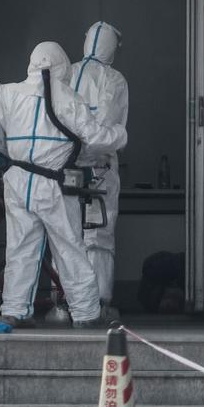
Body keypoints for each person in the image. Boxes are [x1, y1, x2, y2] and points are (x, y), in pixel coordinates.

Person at [0, 41, 127, 329]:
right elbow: (96, 138)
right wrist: (120, 135)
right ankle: (86, 314)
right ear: (62, 66)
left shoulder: (10, 93)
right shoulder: (69, 100)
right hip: (53, 184)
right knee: (70, 248)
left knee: (20, 249)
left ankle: (14, 311)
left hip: (18, 183)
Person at [70, 22, 129, 319]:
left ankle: (67, 301)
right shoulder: (114, 80)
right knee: (98, 235)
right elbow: (106, 125)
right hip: (100, 169)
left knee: (67, 233)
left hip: (64, 169)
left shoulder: (66, 73)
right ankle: (99, 302)